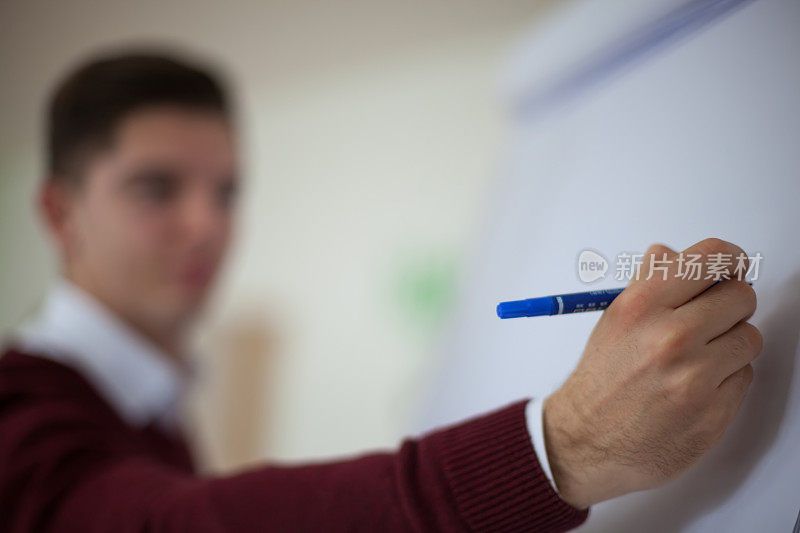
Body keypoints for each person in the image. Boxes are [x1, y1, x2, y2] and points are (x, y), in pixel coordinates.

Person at [0, 50, 762, 532]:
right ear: (60, 213)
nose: (208, 225)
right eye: (157, 187)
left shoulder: (148, 401)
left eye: (227, 191)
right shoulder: (20, 406)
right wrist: (565, 445)